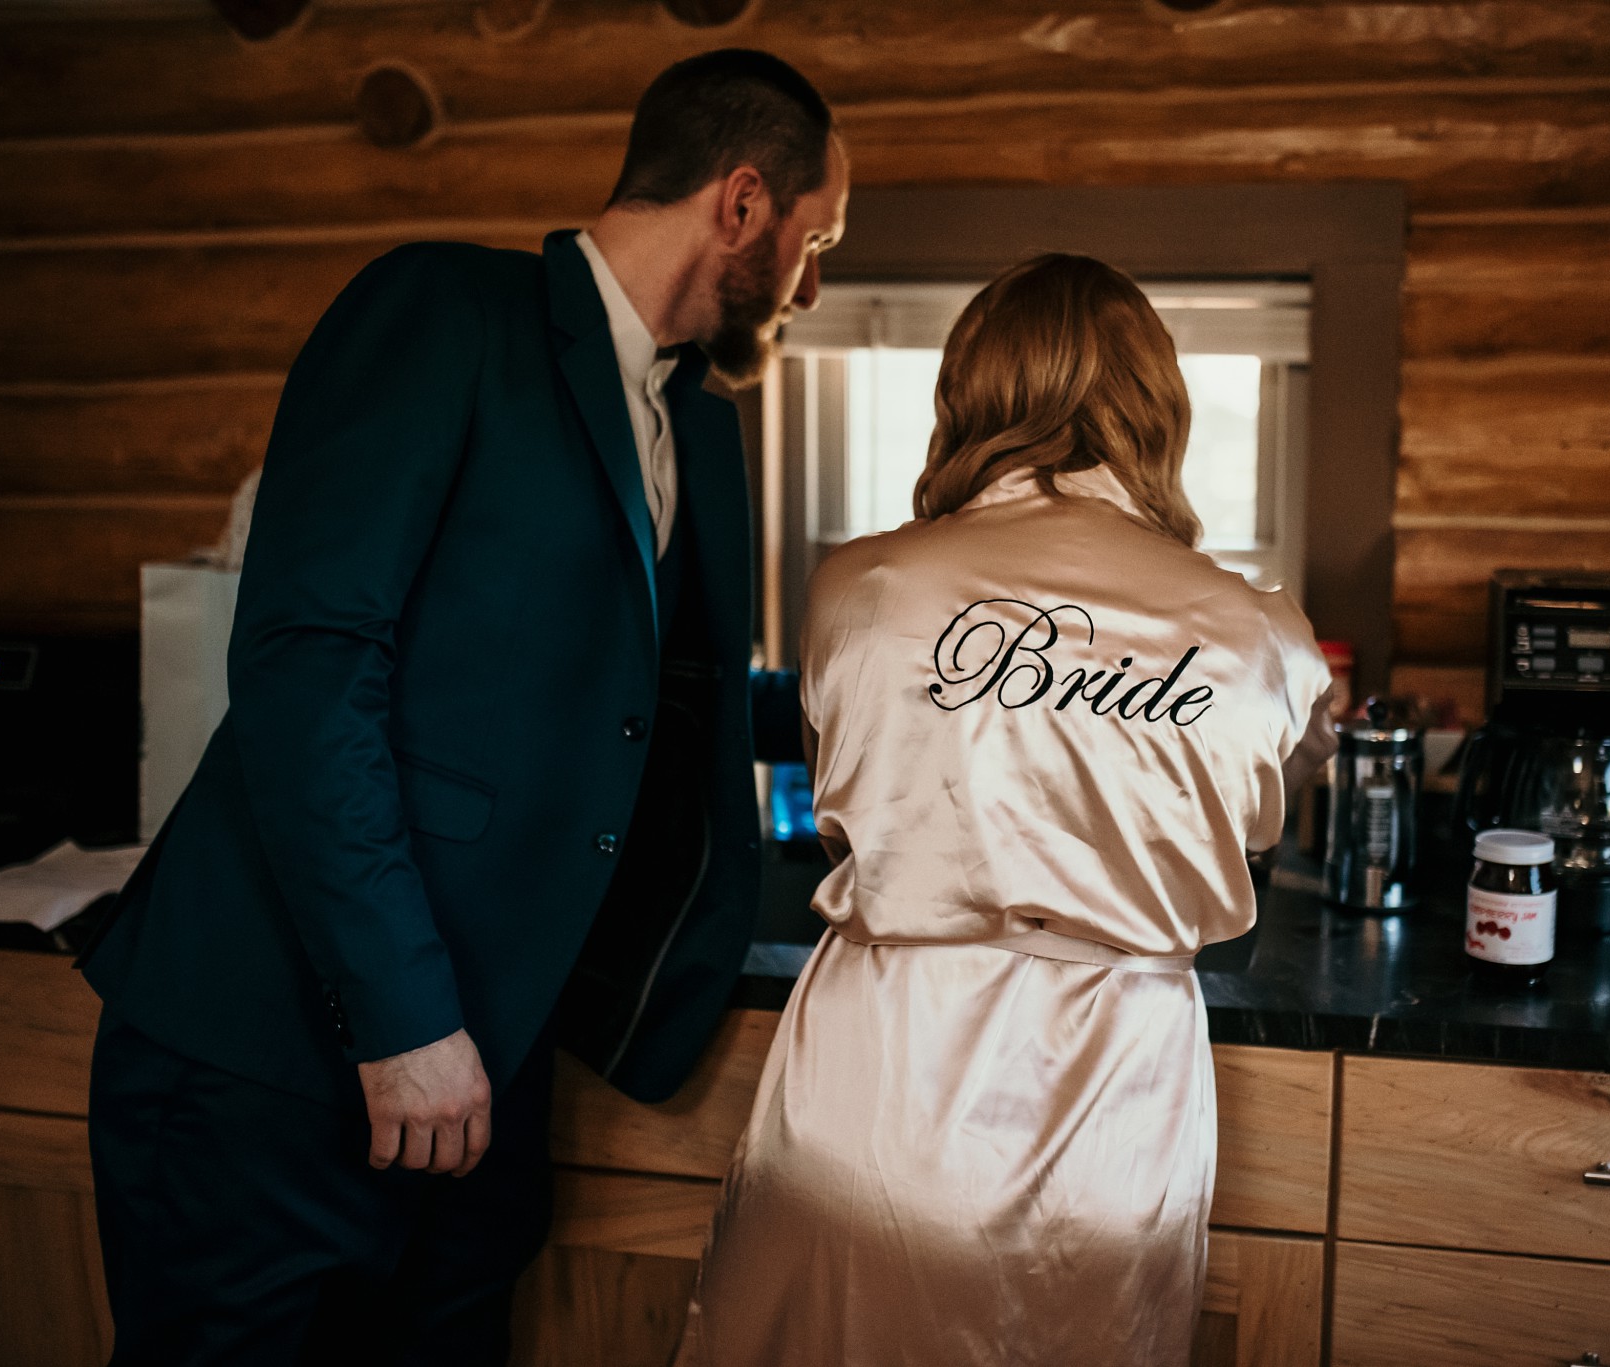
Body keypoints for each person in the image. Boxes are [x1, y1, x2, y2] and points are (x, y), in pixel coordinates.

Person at [76, 49, 848, 1364]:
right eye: (815, 238)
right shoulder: (439, 311)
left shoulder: (703, 435)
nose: (812, 279)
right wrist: (404, 1016)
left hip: (487, 1088)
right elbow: (311, 667)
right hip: (265, 1065)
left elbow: (676, 711)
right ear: (742, 203)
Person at [681, 253, 1339, 1365]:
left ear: (966, 394)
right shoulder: (1253, 638)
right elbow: (1256, 823)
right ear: (1155, 404)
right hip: (1112, 1093)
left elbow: (845, 785)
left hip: (882, 1066)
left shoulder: (861, 587)